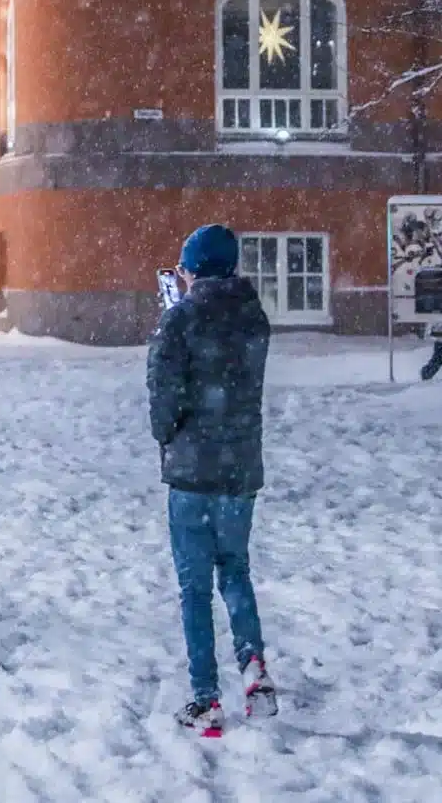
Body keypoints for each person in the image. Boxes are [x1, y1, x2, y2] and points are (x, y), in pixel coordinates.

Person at [146, 224, 277, 737]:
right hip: (240, 467)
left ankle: (205, 698)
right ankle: (254, 665)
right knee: (236, 570)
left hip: (193, 473)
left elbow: (163, 399)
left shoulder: (180, 319)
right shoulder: (253, 317)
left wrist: (173, 315)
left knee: (194, 587)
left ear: (194, 266)